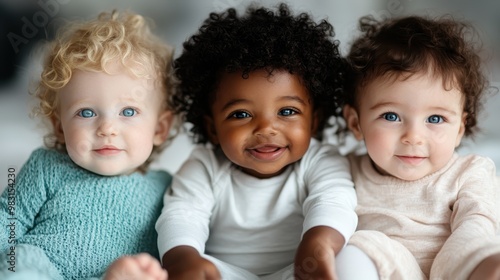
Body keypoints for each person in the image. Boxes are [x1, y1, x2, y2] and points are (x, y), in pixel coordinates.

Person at [155, 3, 379, 280]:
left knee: (354, 259)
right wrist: (183, 259)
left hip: (299, 272)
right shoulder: (205, 165)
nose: (265, 129)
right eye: (241, 114)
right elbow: (182, 215)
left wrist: (319, 242)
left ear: (315, 120)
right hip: (223, 274)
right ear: (212, 128)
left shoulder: (320, 160)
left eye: (287, 112)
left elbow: (333, 201)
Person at [0, 10, 175, 280]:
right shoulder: (47, 167)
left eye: (128, 112)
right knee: (22, 257)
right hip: (43, 270)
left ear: (159, 129)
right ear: (60, 127)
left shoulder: (165, 188)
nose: (107, 129)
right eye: (86, 113)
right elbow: (8, 218)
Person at [339, 14, 500, 279]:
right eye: (391, 116)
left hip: (458, 268)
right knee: (354, 251)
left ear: (459, 129)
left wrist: (479, 264)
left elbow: (476, 225)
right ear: (356, 123)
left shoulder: (470, 171)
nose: (413, 137)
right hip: (385, 268)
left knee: (486, 245)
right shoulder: (344, 172)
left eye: (435, 119)